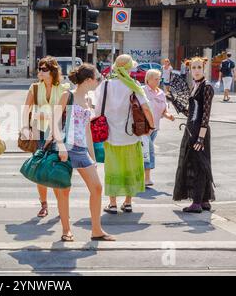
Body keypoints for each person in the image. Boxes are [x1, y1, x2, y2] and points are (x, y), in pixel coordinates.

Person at [52, 63, 115, 241]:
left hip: (81, 150)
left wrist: (92, 157)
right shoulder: (68, 95)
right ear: (88, 80)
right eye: (98, 79)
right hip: (66, 147)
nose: (99, 82)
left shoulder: (88, 100)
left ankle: (96, 230)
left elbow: (87, 130)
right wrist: (61, 146)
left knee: (96, 188)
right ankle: (66, 230)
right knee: (64, 190)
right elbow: (54, 121)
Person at [95, 54, 155, 214]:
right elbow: (146, 109)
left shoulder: (105, 85)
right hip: (131, 135)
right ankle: (128, 203)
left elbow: (97, 110)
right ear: (128, 69)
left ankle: (112, 204)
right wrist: (152, 126)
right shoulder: (134, 85)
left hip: (110, 136)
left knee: (112, 169)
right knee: (131, 168)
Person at [21, 56, 70, 218]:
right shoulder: (34, 87)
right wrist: (25, 126)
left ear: (53, 71)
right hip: (39, 131)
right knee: (39, 168)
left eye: (44, 69)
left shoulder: (63, 88)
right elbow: (26, 109)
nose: (40, 72)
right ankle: (43, 205)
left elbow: (64, 112)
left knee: (55, 167)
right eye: (39, 68)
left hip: (57, 133)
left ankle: (60, 205)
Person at [168, 57, 215, 213]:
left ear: (204, 68)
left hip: (199, 131)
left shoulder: (206, 87)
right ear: (189, 69)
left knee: (198, 165)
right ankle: (204, 200)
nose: (196, 70)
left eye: (199, 67)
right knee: (196, 163)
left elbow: (205, 116)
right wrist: (175, 101)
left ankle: (196, 203)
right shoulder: (196, 86)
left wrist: (201, 138)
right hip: (191, 129)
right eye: (193, 67)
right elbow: (191, 112)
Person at [143, 69, 175, 187]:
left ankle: (142, 177)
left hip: (155, 128)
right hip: (144, 129)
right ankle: (146, 178)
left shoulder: (161, 93)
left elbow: (164, 110)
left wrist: (169, 116)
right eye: (156, 79)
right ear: (148, 79)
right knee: (149, 152)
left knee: (145, 153)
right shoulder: (143, 91)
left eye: (159, 78)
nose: (158, 81)